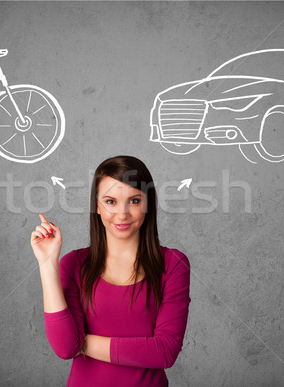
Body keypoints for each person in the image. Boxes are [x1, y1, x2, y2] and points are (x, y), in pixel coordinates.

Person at [31, 155, 191, 387]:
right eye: (111, 201)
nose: (122, 214)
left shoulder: (173, 263)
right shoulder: (73, 264)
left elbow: (165, 352)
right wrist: (47, 262)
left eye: (134, 201)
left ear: (148, 204)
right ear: (97, 205)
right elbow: (65, 348)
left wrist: (82, 343)